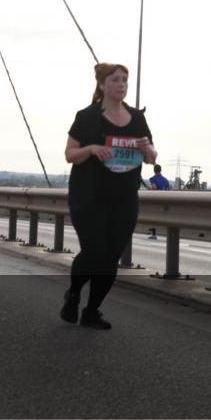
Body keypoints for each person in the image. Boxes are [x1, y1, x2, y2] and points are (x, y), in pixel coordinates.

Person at [60, 63, 157, 330]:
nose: (122, 84)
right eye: (116, 79)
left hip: (124, 199)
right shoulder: (87, 116)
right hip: (89, 195)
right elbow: (69, 154)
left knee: (110, 257)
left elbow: (151, 158)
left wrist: (147, 148)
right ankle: (73, 293)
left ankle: (92, 311)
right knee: (93, 252)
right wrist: (91, 149)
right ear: (103, 85)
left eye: (125, 80)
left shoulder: (137, 118)